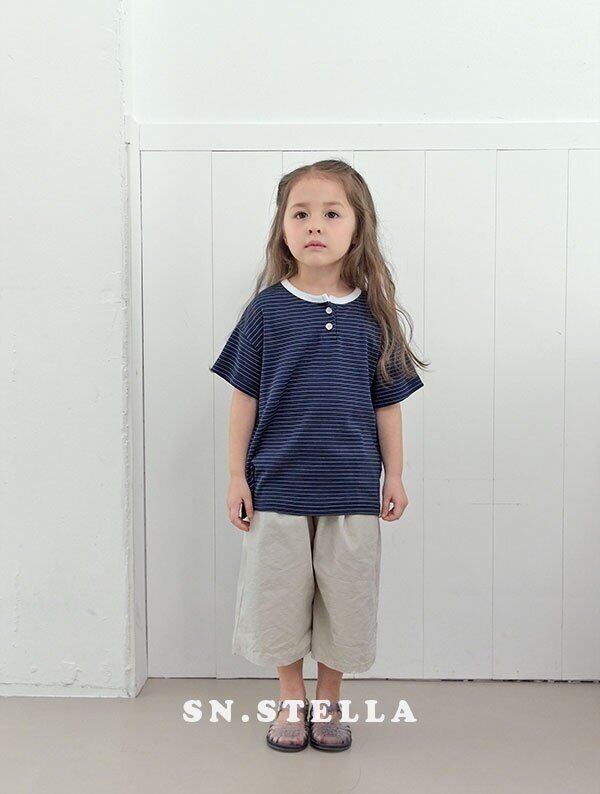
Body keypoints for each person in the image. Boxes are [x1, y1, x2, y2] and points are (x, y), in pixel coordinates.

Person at [209, 158, 429, 752]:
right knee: (278, 598)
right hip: (277, 488)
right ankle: (290, 698)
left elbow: (388, 404)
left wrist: (395, 475)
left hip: (352, 491)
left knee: (345, 600)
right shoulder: (266, 311)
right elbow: (244, 399)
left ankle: (329, 698)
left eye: (331, 214)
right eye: (300, 214)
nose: (314, 225)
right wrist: (236, 477)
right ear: (282, 228)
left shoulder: (373, 317)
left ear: (357, 228)